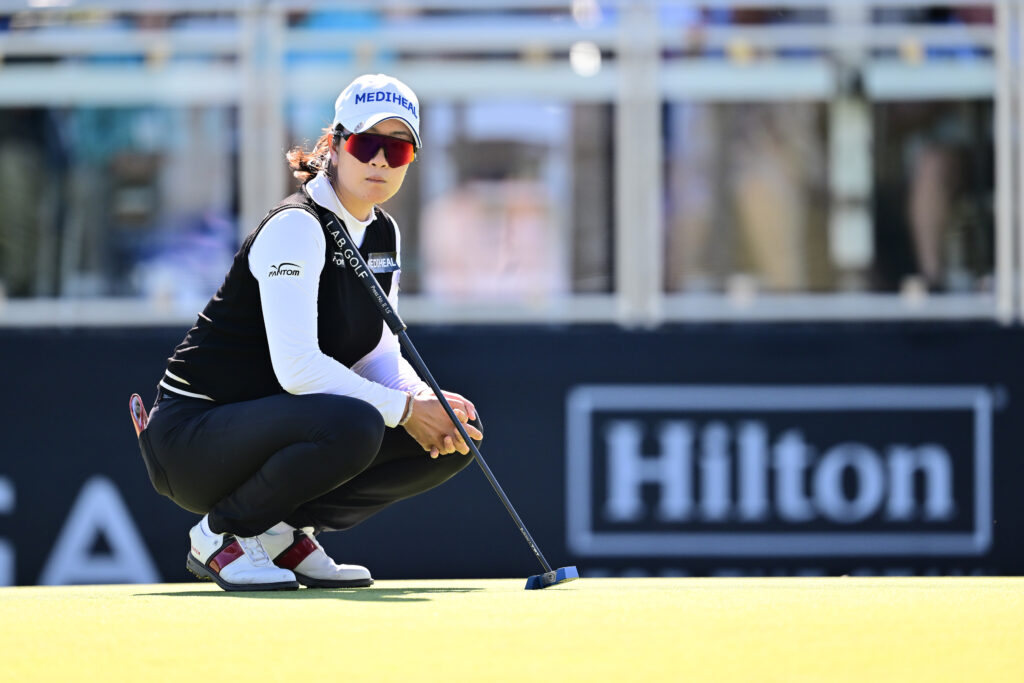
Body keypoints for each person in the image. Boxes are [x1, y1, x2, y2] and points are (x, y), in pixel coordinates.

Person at [137, 73, 483, 591]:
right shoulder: (296, 225)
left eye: (399, 149)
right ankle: (223, 534)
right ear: (334, 145)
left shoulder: (383, 231)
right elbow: (298, 368)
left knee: (447, 438)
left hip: (273, 432)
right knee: (357, 424)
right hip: (192, 439)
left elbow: (377, 355)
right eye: (367, 144)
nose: (380, 162)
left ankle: (280, 532)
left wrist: (422, 400)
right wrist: (408, 411)